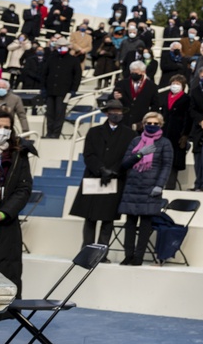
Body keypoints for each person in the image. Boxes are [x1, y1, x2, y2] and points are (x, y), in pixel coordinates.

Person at [68, 100, 136, 254]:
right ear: (106, 113)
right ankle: (87, 251)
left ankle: (101, 252)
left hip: (116, 178)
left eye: (119, 111)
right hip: (94, 176)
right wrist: (101, 169)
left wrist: (114, 171)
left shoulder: (130, 134)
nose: (116, 114)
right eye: (113, 111)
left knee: (108, 218)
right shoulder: (94, 131)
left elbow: (128, 157)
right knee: (90, 217)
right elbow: (88, 154)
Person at [117, 111, 172, 265]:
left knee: (145, 224)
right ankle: (128, 255)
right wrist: (139, 155)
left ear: (161, 125)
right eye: (149, 123)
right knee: (130, 223)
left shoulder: (164, 143)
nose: (152, 126)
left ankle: (139, 257)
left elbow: (166, 166)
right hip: (133, 185)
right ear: (143, 124)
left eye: (156, 124)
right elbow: (125, 164)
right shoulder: (135, 141)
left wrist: (160, 185)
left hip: (151, 187)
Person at [0, 110, 34, 296]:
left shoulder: (19, 154)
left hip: (6, 224)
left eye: (6, 128)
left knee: (4, 271)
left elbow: (23, 189)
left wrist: (2, 213)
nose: (2, 131)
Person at [42, 40, 82, 139]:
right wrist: (43, 88)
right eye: (60, 46)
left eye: (64, 46)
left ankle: (56, 134)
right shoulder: (51, 58)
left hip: (64, 91)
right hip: (50, 90)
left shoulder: (73, 60)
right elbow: (44, 74)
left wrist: (73, 90)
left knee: (60, 113)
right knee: (50, 113)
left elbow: (77, 76)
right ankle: (49, 132)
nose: (62, 48)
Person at [159, 74, 191, 189]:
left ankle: (170, 187)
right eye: (173, 83)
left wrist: (185, 135)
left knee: (173, 162)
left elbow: (188, 118)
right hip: (163, 133)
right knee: (161, 160)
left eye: (178, 84)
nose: (175, 86)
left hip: (178, 134)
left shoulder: (187, 99)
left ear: (183, 86)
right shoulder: (164, 97)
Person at [112, 61, 160, 131]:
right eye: (132, 72)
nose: (134, 74)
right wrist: (114, 97)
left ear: (143, 72)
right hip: (123, 121)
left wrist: (147, 120)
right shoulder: (121, 84)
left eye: (136, 73)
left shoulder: (152, 86)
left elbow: (155, 105)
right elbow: (110, 98)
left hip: (140, 123)